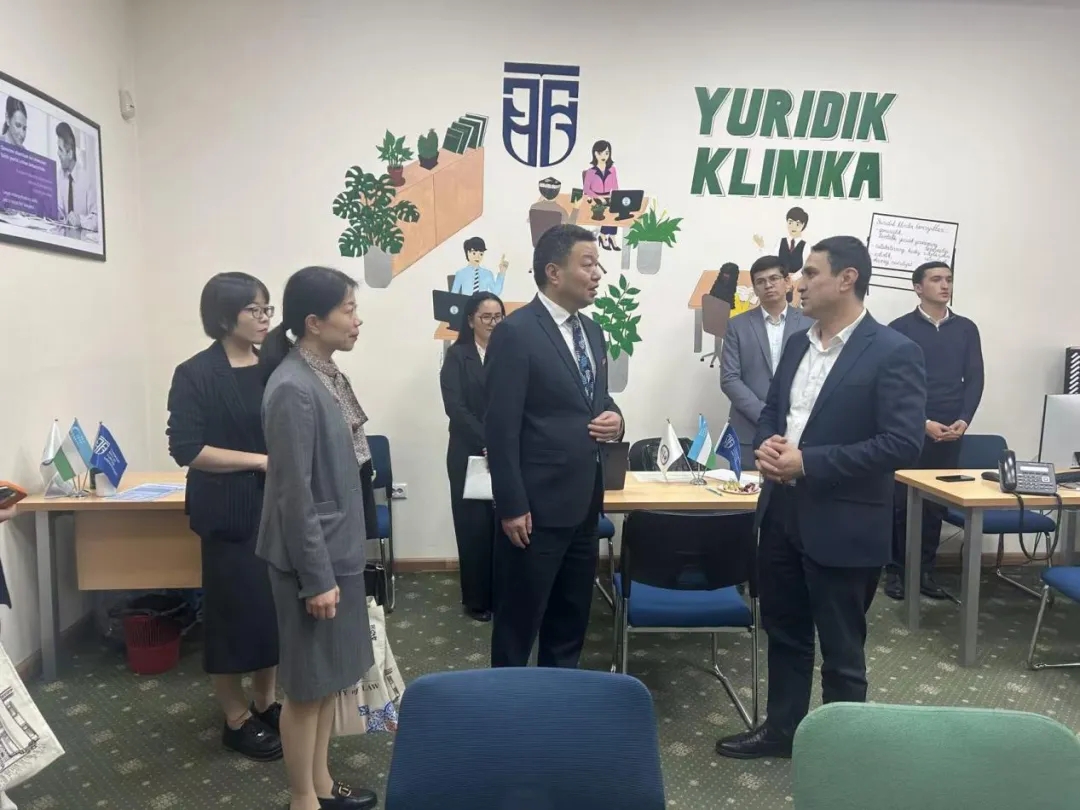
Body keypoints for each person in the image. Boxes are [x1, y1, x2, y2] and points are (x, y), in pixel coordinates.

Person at [715, 236, 926, 760]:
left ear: (847, 278)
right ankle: (783, 731)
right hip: (782, 513)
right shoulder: (797, 344)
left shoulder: (894, 351)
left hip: (844, 521)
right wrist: (767, 443)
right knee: (785, 633)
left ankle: (841, 754)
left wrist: (809, 462)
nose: (798, 283)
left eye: (810, 273)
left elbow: (902, 443)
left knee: (841, 648)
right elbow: (774, 410)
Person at [257, 266, 378, 810]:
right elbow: (292, 494)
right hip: (313, 560)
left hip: (338, 550)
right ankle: (302, 798)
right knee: (306, 688)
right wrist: (316, 578)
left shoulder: (324, 373)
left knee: (330, 678)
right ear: (313, 321)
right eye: (348, 309)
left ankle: (323, 785)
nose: (357, 320)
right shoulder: (292, 387)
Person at [485, 224, 624, 669]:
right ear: (553, 272)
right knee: (519, 624)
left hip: (584, 506)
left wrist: (617, 420)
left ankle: (558, 702)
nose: (598, 274)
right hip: (534, 512)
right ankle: (508, 706)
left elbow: (597, 401)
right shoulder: (516, 332)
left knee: (570, 621)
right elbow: (500, 428)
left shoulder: (594, 332)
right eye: (588, 264)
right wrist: (511, 505)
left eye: (598, 264)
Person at [166, 272, 282, 762]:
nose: (264, 318)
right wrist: (259, 461)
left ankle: (266, 701)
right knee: (233, 615)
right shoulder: (195, 373)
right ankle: (235, 719)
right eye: (254, 309)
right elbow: (187, 449)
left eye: (267, 308)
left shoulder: (274, 364)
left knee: (273, 613)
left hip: (277, 508)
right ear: (223, 316)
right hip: (229, 512)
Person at [885, 261, 984, 600]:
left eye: (949, 280)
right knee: (901, 504)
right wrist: (922, 422)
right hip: (910, 429)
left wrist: (964, 419)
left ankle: (925, 571)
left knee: (935, 506)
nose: (945, 285)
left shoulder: (966, 328)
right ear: (918, 288)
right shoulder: (899, 328)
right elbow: (893, 385)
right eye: (936, 279)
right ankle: (896, 571)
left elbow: (975, 378)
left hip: (951, 430)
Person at [440, 292, 505, 622]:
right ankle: (477, 600)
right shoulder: (457, 356)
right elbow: (456, 408)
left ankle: (504, 595)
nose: (493, 323)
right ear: (470, 320)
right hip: (468, 454)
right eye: (486, 317)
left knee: (504, 526)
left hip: (506, 453)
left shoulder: (510, 354)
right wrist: (486, 441)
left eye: (498, 317)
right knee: (474, 528)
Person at [720, 255, 815, 470]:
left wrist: (787, 415)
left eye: (774, 278)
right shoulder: (737, 325)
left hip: (798, 428)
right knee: (746, 490)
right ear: (754, 288)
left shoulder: (810, 323)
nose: (768, 285)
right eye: (760, 281)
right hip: (749, 431)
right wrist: (766, 416)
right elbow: (729, 379)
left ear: (787, 282)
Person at [54, 121, 98, 231]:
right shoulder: (58, 176)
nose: (57, 153)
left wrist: (80, 221)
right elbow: (59, 212)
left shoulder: (88, 180)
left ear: (70, 153)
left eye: (60, 149)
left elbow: (98, 220)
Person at [582, 139, 620, 251]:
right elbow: (586, 189)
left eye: (606, 153)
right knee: (605, 211)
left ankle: (612, 236)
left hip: (608, 196)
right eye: (600, 153)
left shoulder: (612, 170)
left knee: (616, 209)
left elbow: (615, 186)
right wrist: (598, 197)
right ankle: (603, 236)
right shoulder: (591, 172)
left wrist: (615, 197)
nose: (604, 156)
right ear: (595, 154)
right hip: (595, 197)